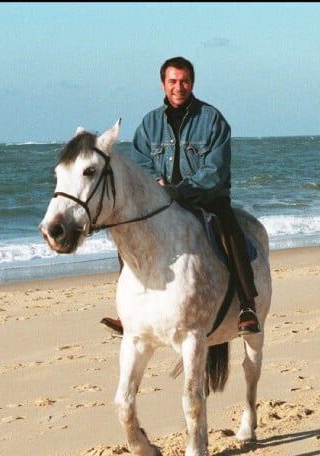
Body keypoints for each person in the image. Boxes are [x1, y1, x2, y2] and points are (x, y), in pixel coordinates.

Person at [101, 56, 261, 337]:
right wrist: (156, 183)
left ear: (192, 83)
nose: (179, 87)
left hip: (206, 196)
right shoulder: (150, 123)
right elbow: (140, 162)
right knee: (128, 238)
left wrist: (181, 189)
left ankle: (247, 305)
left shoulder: (212, 120)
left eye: (184, 81)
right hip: (162, 202)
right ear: (163, 84)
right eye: (173, 81)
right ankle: (127, 312)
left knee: (230, 231)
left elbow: (216, 169)